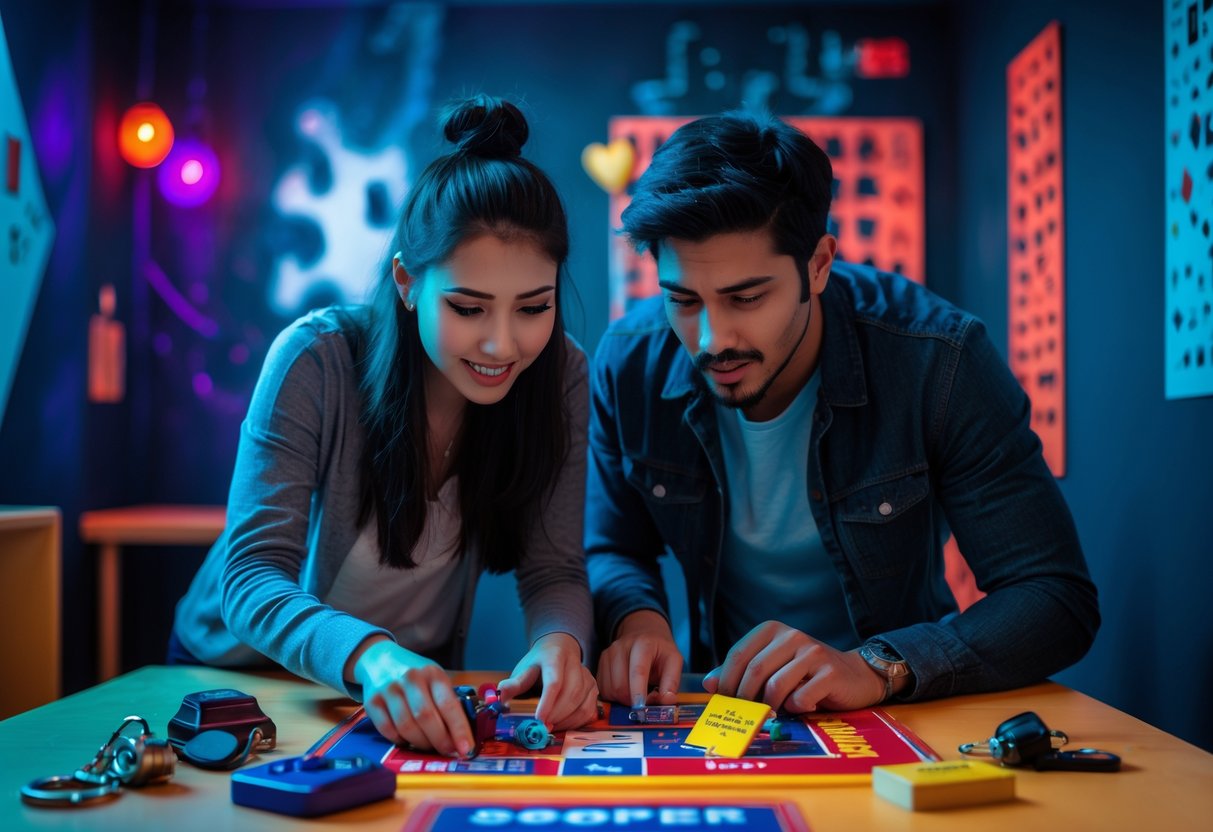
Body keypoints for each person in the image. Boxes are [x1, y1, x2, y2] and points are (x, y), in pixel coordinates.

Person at [586, 110, 1099, 713]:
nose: (711, 340)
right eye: (683, 300)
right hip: (730, 706)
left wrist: (874, 666)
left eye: (746, 298)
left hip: (899, 705)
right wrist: (637, 620)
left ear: (819, 264)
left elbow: (1053, 596)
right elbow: (612, 546)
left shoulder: (939, 359)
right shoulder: (630, 363)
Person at [171, 95, 598, 757]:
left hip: (406, 692)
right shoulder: (315, 359)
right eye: (468, 308)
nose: (502, 344)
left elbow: (553, 569)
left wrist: (559, 642)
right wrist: (372, 655)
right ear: (406, 282)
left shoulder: (559, 374)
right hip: (239, 684)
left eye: (533, 307)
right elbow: (251, 576)